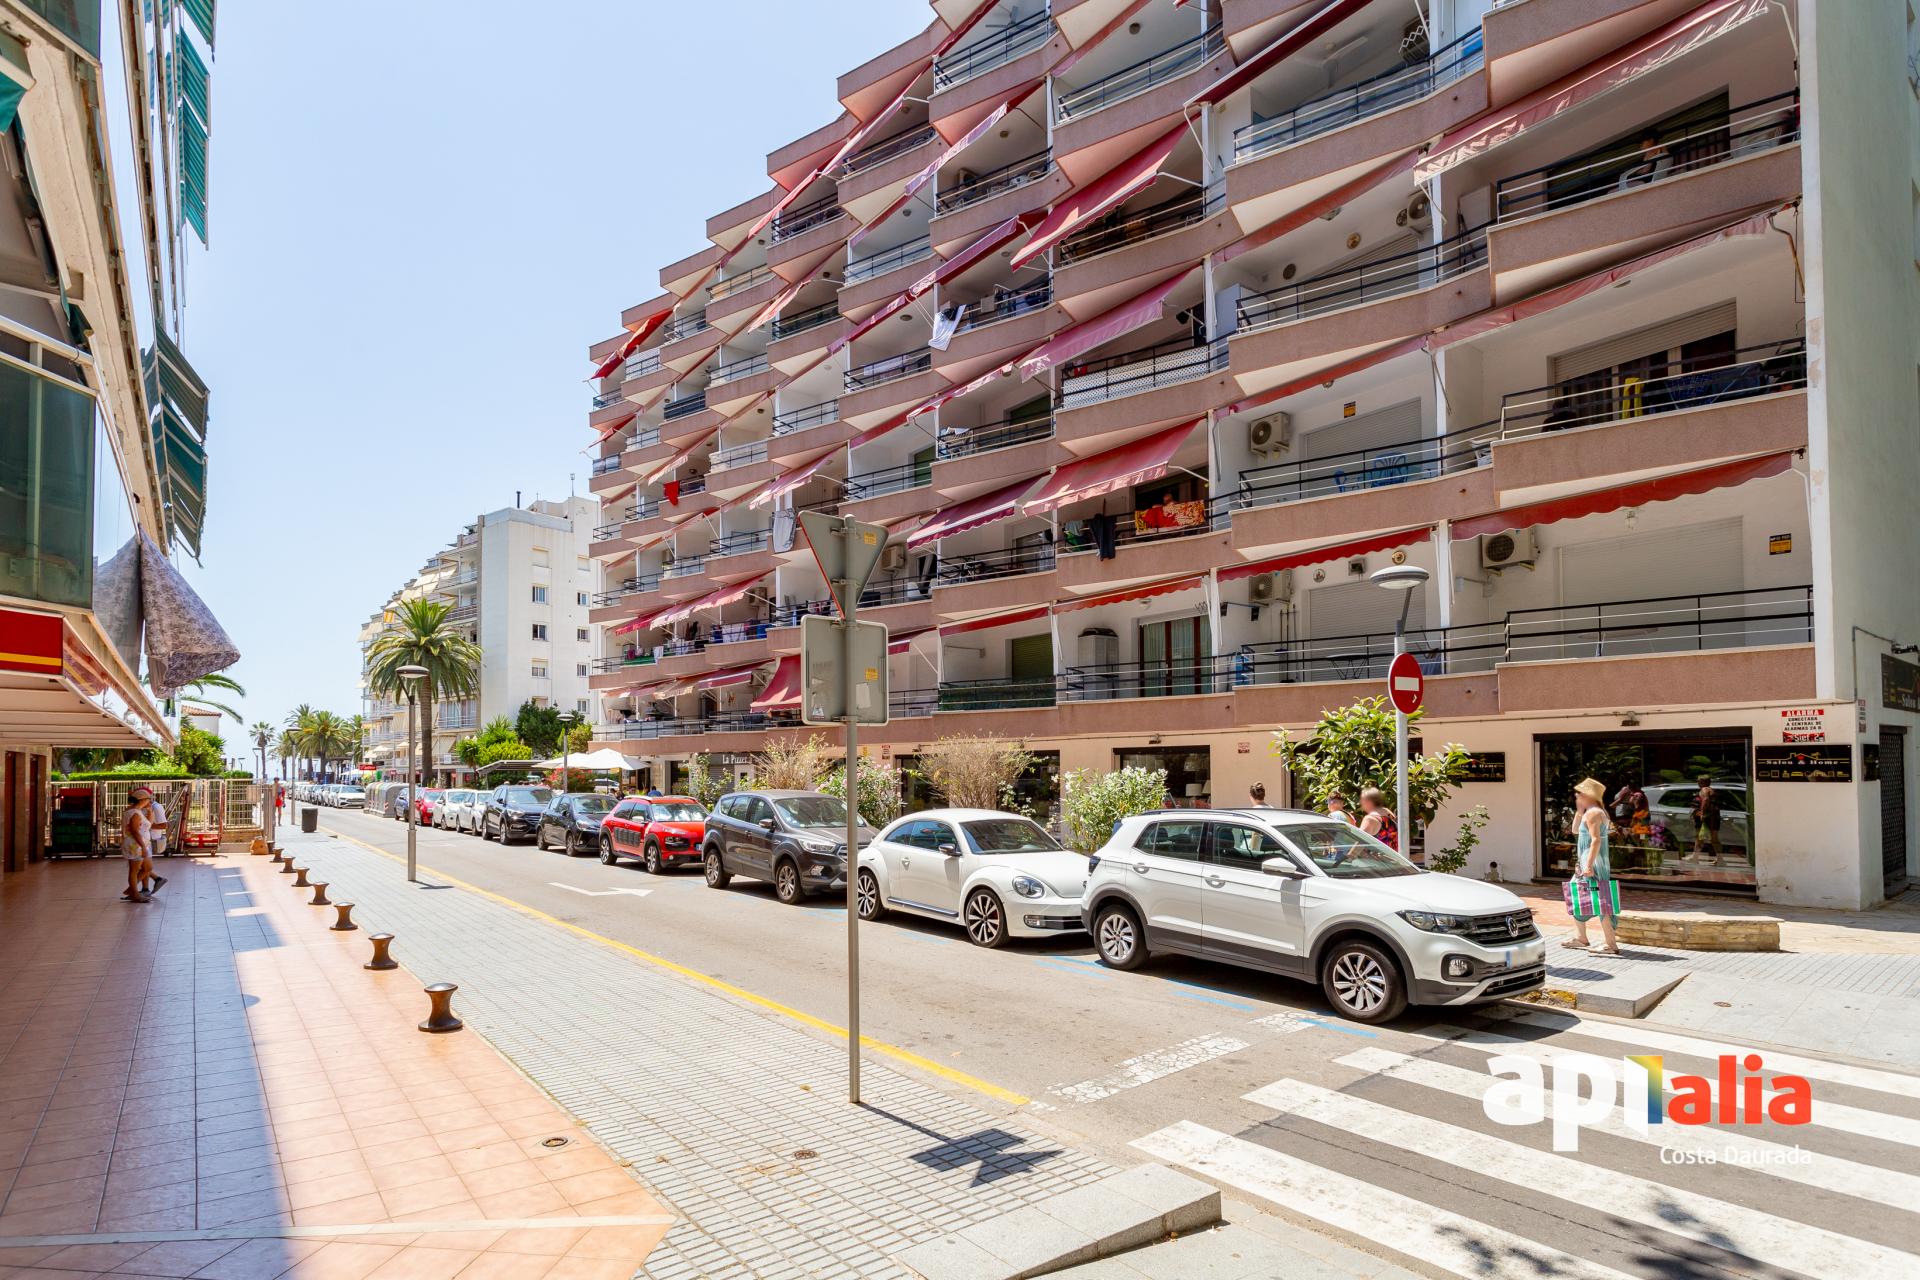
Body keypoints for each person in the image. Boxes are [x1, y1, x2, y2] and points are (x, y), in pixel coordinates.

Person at [1568, 777, 1620, 954]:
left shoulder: (1594, 813)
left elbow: (1596, 840)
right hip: (1588, 861)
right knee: (1577, 891)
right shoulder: (1591, 812)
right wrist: (1579, 811)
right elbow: (1575, 830)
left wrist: (1589, 866)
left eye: (1580, 794)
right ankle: (1581, 937)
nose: (1577, 796)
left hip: (1593, 862)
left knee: (1601, 898)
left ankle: (1610, 944)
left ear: (1589, 796)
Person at [121, 789, 152, 903]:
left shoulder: (136, 811)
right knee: (134, 870)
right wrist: (142, 846)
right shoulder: (135, 813)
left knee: (147, 868)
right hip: (136, 845)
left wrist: (150, 812)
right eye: (148, 799)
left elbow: (147, 825)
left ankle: (131, 890)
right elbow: (134, 831)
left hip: (139, 844)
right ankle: (135, 894)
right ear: (142, 800)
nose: (149, 801)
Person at [1690, 775, 1725, 865]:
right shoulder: (1710, 789)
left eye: (1698, 781)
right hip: (1713, 816)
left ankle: (1695, 858)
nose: (1697, 783)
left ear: (1703, 782)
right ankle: (1719, 859)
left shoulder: (1704, 789)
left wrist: (1702, 812)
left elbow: (1705, 799)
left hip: (1708, 817)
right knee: (1713, 839)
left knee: (1701, 837)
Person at [1611, 778, 1650, 850]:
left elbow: (1637, 808)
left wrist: (1635, 820)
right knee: (1640, 836)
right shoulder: (1637, 793)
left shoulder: (1638, 795)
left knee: (1640, 835)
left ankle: (1641, 849)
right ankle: (1640, 848)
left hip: (1642, 818)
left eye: (1629, 786)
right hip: (1642, 817)